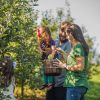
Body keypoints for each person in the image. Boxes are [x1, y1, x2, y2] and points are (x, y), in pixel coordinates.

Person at [53, 24, 89, 100]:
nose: (66, 36)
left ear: (72, 34)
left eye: (67, 34)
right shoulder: (76, 46)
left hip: (75, 84)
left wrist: (64, 66)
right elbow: (71, 61)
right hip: (77, 85)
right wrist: (62, 52)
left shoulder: (78, 46)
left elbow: (80, 67)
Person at [46, 21, 72, 100]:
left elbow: (66, 62)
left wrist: (61, 53)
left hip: (63, 84)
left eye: (67, 31)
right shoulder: (54, 42)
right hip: (51, 83)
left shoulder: (70, 44)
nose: (64, 34)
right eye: (62, 30)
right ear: (59, 29)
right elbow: (47, 57)